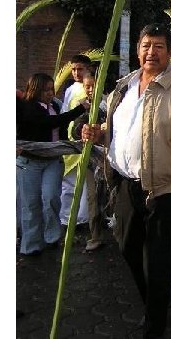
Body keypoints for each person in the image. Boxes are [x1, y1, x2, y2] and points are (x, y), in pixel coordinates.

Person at [81, 23, 171, 339]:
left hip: (164, 189)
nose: (151, 52)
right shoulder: (124, 86)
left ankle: (155, 326)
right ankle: (153, 304)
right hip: (125, 183)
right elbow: (117, 132)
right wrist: (97, 134)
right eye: (146, 45)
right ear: (138, 49)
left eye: (158, 46)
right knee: (128, 247)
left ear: (170, 52)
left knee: (157, 259)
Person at [16, 73, 89, 256]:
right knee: (30, 203)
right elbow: (48, 123)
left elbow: (62, 126)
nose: (49, 93)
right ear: (35, 90)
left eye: (51, 90)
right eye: (45, 90)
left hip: (53, 161)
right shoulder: (27, 108)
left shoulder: (55, 105)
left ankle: (52, 237)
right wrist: (78, 110)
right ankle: (31, 245)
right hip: (30, 161)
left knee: (51, 198)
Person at [68, 73, 108, 252]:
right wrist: (82, 130)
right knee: (93, 197)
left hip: (111, 159)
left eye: (94, 85)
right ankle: (95, 235)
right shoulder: (83, 107)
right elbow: (76, 127)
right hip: (93, 160)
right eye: (87, 86)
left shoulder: (112, 102)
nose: (91, 90)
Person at [59, 54, 93, 227]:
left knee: (84, 183)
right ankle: (65, 218)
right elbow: (65, 113)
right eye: (73, 69)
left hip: (87, 139)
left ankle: (81, 219)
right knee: (68, 183)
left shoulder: (93, 86)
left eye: (80, 69)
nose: (76, 72)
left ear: (89, 69)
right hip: (70, 140)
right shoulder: (71, 89)